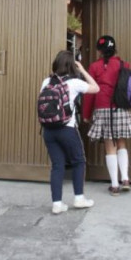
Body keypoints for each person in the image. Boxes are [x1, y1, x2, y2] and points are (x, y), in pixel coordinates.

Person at [39, 50, 100, 215]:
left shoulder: (46, 82)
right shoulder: (74, 83)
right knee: (78, 161)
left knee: (57, 165)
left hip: (48, 130)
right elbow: (96, 88)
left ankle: (57, 204)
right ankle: (79, 198)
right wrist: (83, 70)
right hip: (67, 129)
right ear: (72, 66)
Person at [82, 35, 131, 196]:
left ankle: (114, 185)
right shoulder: (123, 64)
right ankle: (125, 179)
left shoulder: (94, 67)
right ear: (114, 49)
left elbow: (90, 93)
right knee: (121, 143)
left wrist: (86, 114)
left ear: (99, 51)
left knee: (109, 146)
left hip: (102, 108)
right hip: (120, 108)